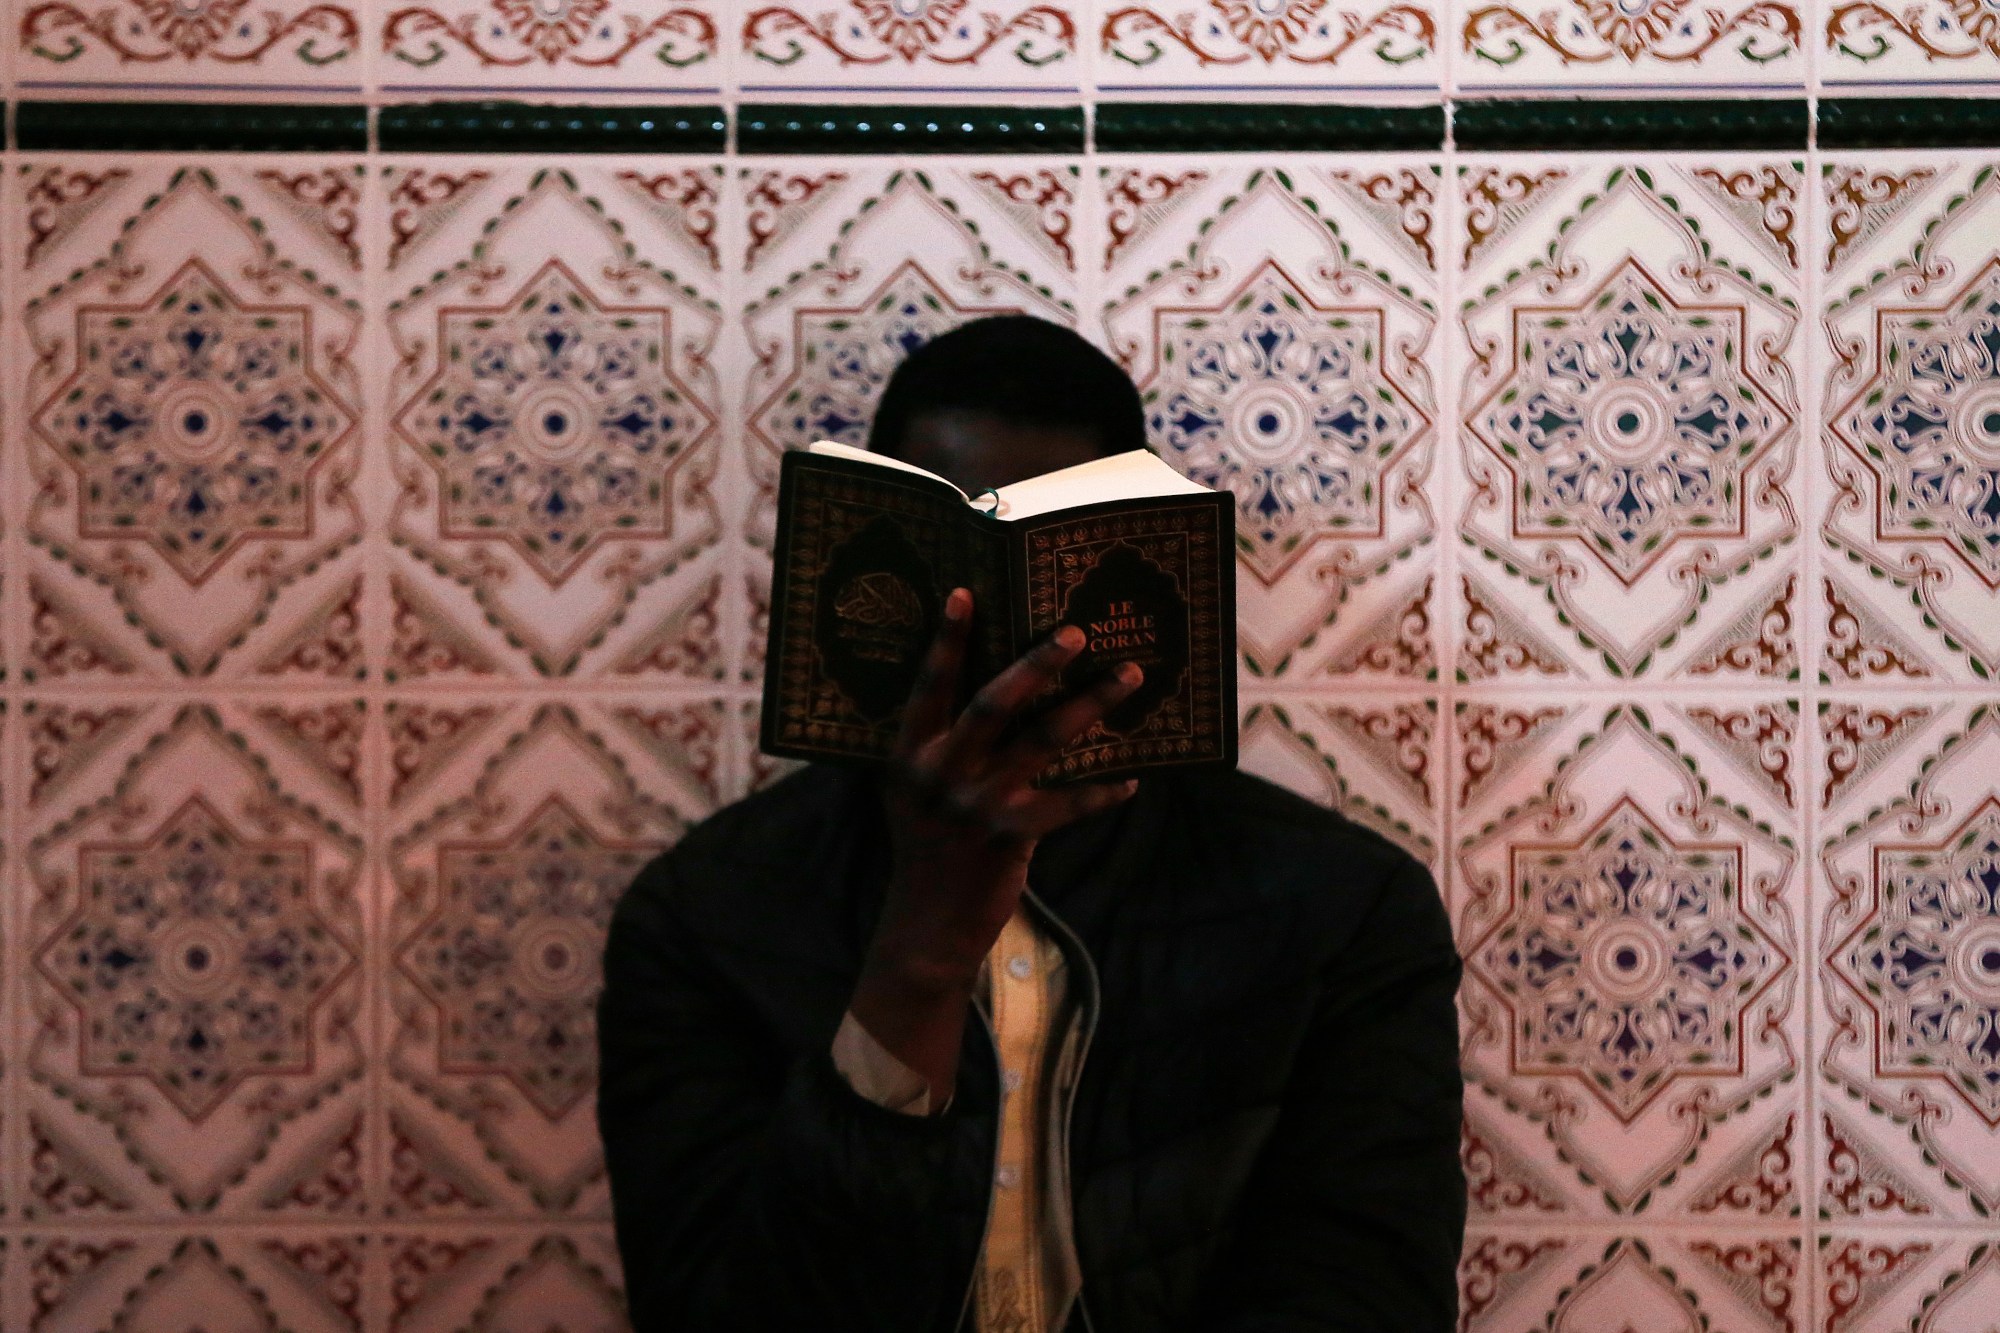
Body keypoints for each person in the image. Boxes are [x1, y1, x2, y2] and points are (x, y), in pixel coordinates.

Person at [597, 315, 1466, 1332]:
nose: (1000, 643)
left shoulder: (1342, 911)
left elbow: (1366, 1296)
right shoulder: (704, 914)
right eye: (956, 577)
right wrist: (920, 946)